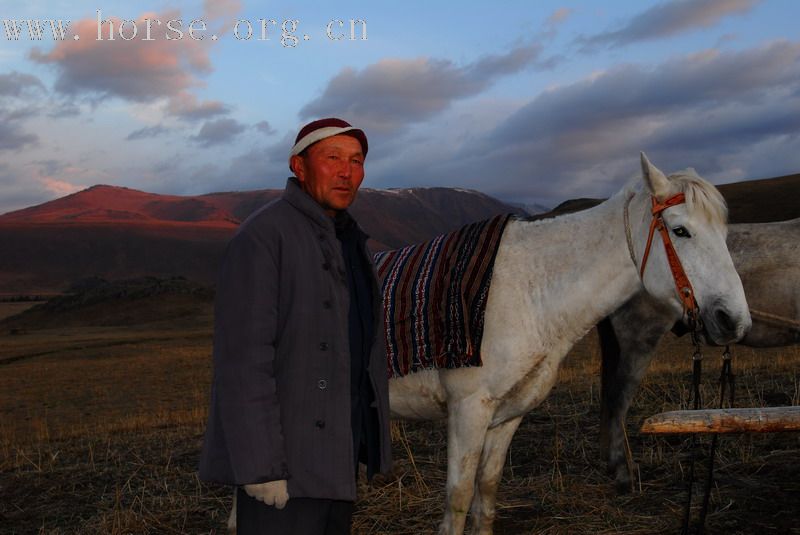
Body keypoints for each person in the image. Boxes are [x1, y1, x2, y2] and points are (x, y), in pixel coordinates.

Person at [199, 117, 392, 534]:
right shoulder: (264, 236)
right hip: (282, 470)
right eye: (332, 158)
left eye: (356, 160)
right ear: (298, 166)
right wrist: (260, 467)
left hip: (335, 462)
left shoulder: (353, 244)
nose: (347, 171)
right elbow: (243, 361)